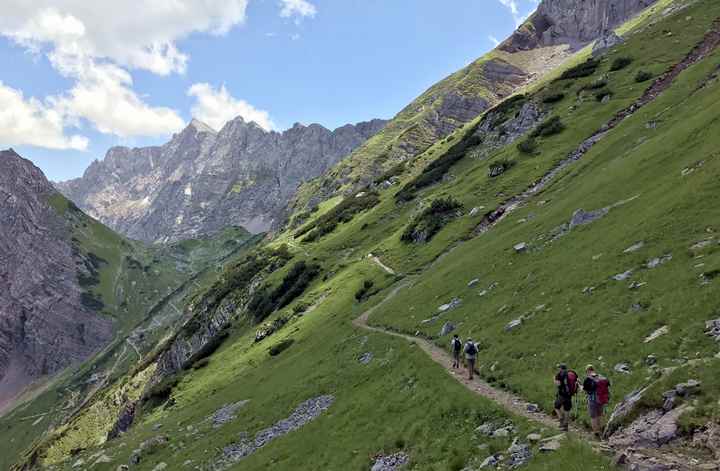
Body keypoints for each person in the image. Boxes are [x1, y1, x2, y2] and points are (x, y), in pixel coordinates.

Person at [583, 364, 611, 438]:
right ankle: (602, 431)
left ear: (588, 371)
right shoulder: (601, 377)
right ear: (593, 369)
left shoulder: (588, 379)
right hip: (601, 400)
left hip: (592, 400)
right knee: (600, 415)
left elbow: (585, 390)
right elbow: (608, 385)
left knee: (593, 417)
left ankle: (596, 433)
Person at [554, 363, 578, 431]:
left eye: (559, 368)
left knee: (556, 406)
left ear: (561, 368)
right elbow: (577, 381)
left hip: (562, 395)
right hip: (569, 395)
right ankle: (565, 426)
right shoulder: (571, 373)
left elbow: (558, 384)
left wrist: (554, 380)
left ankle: (561, 419)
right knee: (567, 410)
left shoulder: (559, 374)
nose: (558, 369)